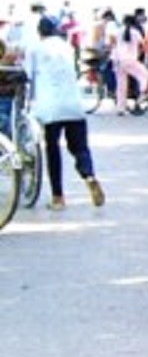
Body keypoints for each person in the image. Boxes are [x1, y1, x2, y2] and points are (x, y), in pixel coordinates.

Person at [23, 16, 103, 211]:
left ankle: (58, 197)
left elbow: (28, 76)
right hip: (74, 104)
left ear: (40, 31)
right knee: (80, 148)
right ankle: (89, 174)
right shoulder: (66, 46)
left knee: (52, 150)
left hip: (50, 107)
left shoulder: (35, 48)